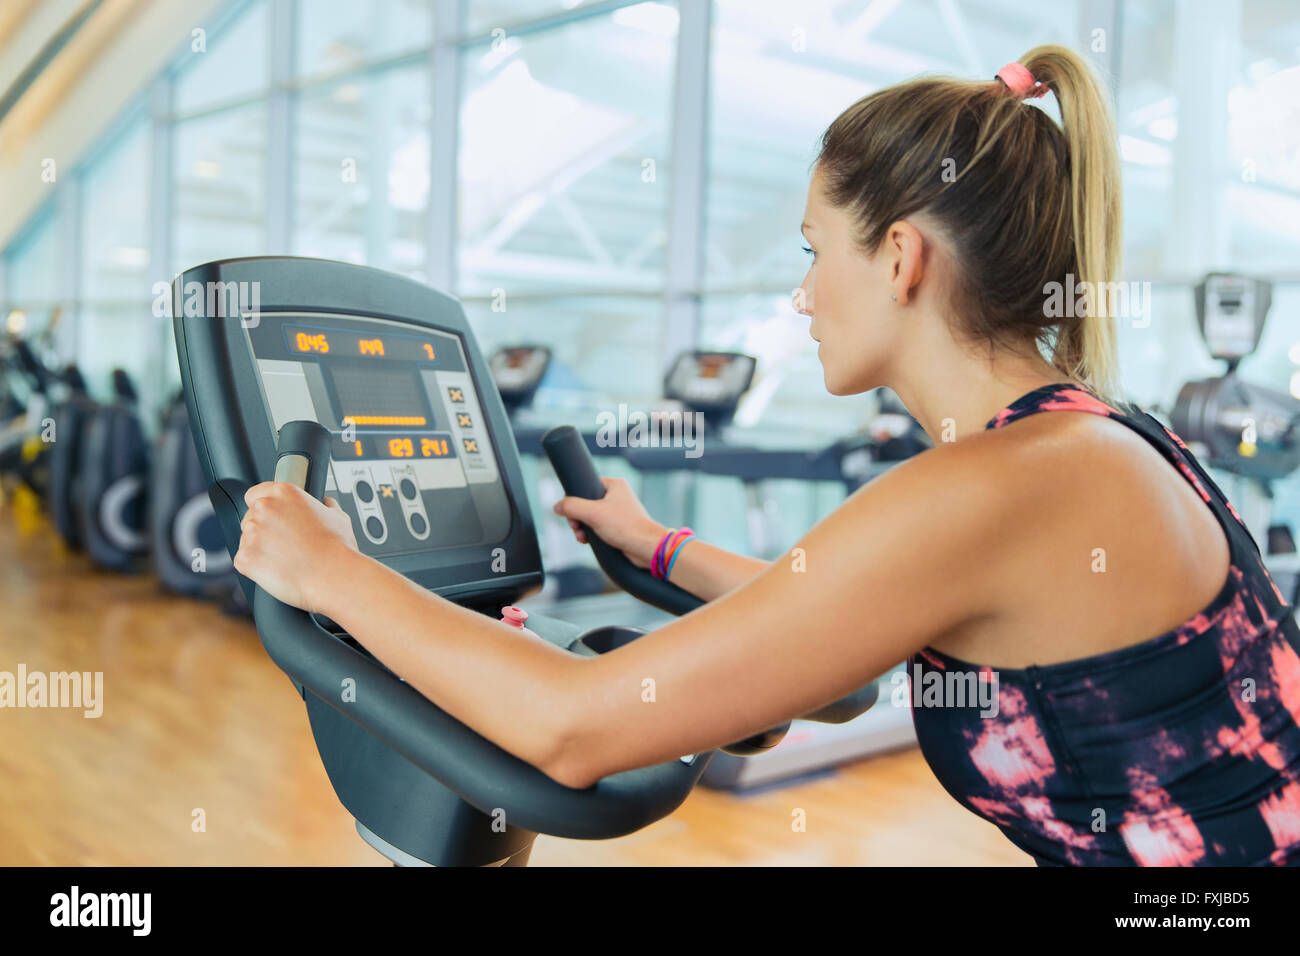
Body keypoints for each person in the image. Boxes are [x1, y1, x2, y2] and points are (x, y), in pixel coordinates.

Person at [233, 45, 1300, 866]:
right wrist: (656, 546)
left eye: (811, 250)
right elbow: (843, 610)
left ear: (898, 257)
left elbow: (570, 728)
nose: (799, 294)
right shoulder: (1076, 441)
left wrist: (330, 572)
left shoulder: (1001, 484)